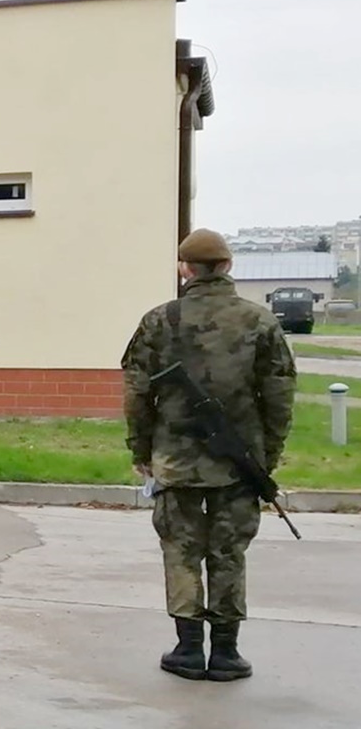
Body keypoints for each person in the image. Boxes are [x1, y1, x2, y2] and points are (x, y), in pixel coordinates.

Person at [121, 228, 296, 682]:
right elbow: (279, 396)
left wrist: (142, 451)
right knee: (229, 552)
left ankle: (187, 647)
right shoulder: (260, 322)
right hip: (239, 464)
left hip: (175, 460)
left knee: (180, 549)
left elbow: (137, 393)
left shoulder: (160, 320)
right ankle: (225, 653)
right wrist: (265, 459)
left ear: (184, 268)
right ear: (228, 266)